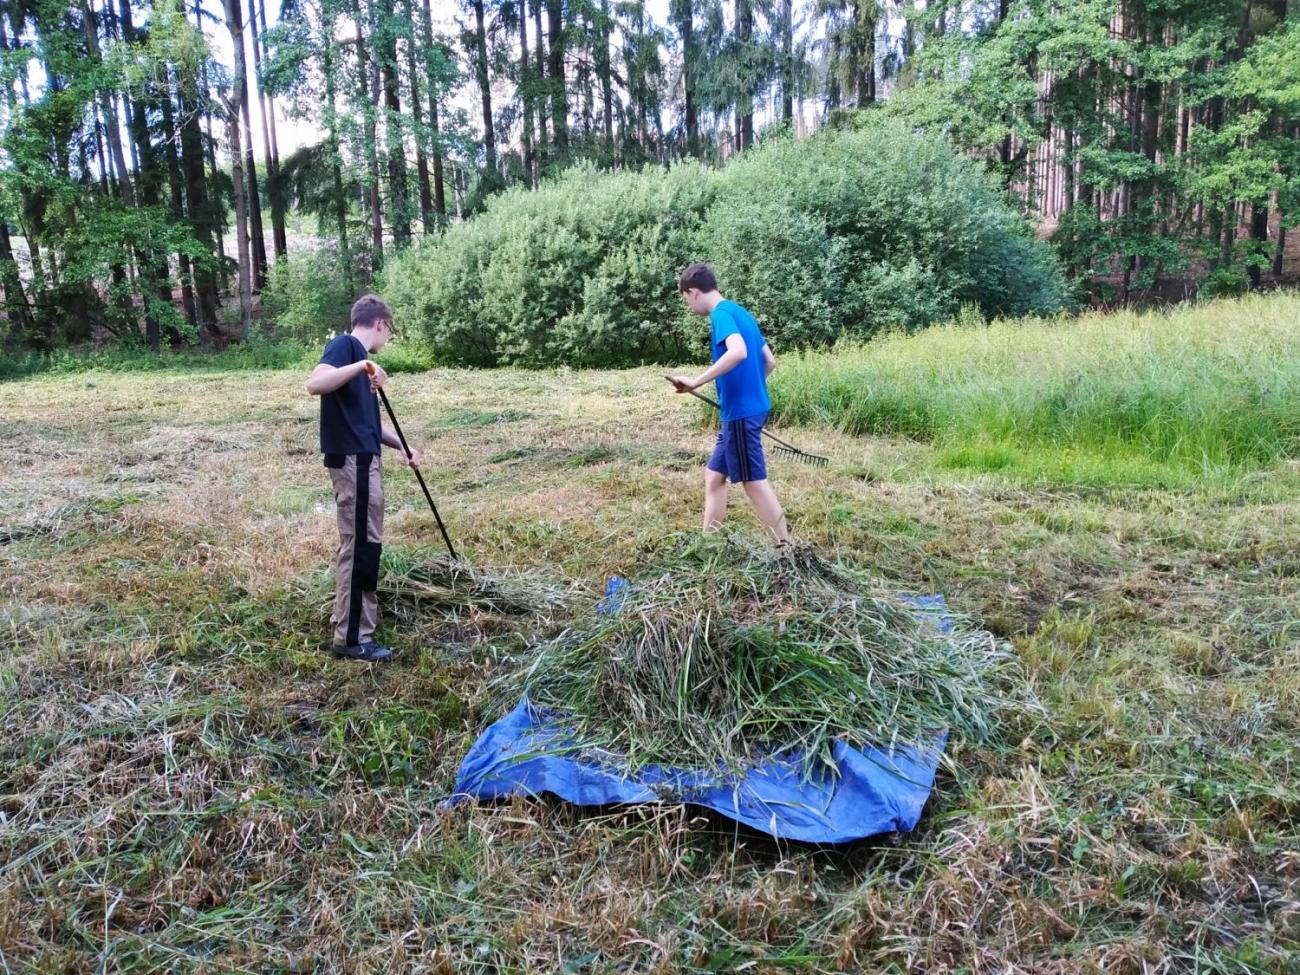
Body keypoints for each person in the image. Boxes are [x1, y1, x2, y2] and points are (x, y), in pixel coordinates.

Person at [306, 295, 421, 663]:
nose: (387, 339)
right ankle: (352, 637)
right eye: (389, 331)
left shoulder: (359, 362)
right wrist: (362, 365)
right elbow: (315, 383)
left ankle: (350, 619)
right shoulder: (347, 347)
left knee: (361, 544)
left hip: (363, 457)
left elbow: (367, 424)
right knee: (362, 547)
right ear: (381, 324)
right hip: (354, 463)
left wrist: (402, 445)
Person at [668, 263, 790, 542]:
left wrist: (696, 382)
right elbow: (769, 360)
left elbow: (738, 352)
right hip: (749, 408)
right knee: (714, 476)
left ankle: (788, 550)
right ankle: (709, 543)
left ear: (693, 292)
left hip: (740, 413)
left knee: (753, 482)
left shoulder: (721, 315)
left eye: (686, 299)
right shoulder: (740, 312)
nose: (688, 306)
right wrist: (752, 387)